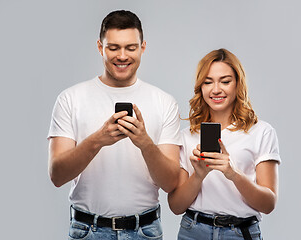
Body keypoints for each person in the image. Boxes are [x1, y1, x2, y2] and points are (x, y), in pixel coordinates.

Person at [47, 10, 181, 240]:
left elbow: (170, 183)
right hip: (87, 230)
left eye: (130, 47)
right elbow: (57, 175)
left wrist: (145, 143)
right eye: (113, 47)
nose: (122, 56)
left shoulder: (164, 102)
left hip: (145, 231)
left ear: (142, 47)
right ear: (100, 47)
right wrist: (98, 139)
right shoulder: (70, 98)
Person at [168, 48, 281, 240]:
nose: (216, 89)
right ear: (200, 87)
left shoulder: (261, 131)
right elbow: (176, 206)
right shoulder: (187, 136)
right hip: (193, 231)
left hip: (240, 232)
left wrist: (233, 174)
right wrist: (199, 175)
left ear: (238, 84)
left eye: (225, 81)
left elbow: (268, 204)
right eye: (208, 82)